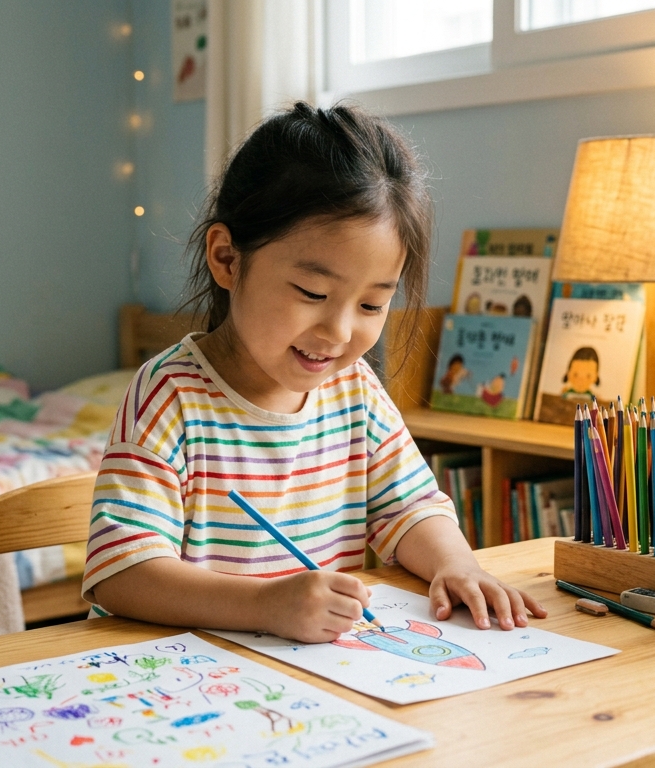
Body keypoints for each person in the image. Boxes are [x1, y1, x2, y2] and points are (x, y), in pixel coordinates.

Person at [83, 103, 547, 644]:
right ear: (228, 258)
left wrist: (457, 564)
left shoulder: (354, 391)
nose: (338, 331)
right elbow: (121, 574)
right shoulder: (169, 396)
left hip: (311, 687)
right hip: (184, 680)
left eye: (372, 306)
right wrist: (264, 604)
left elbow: (412, 507)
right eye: (313, 294)